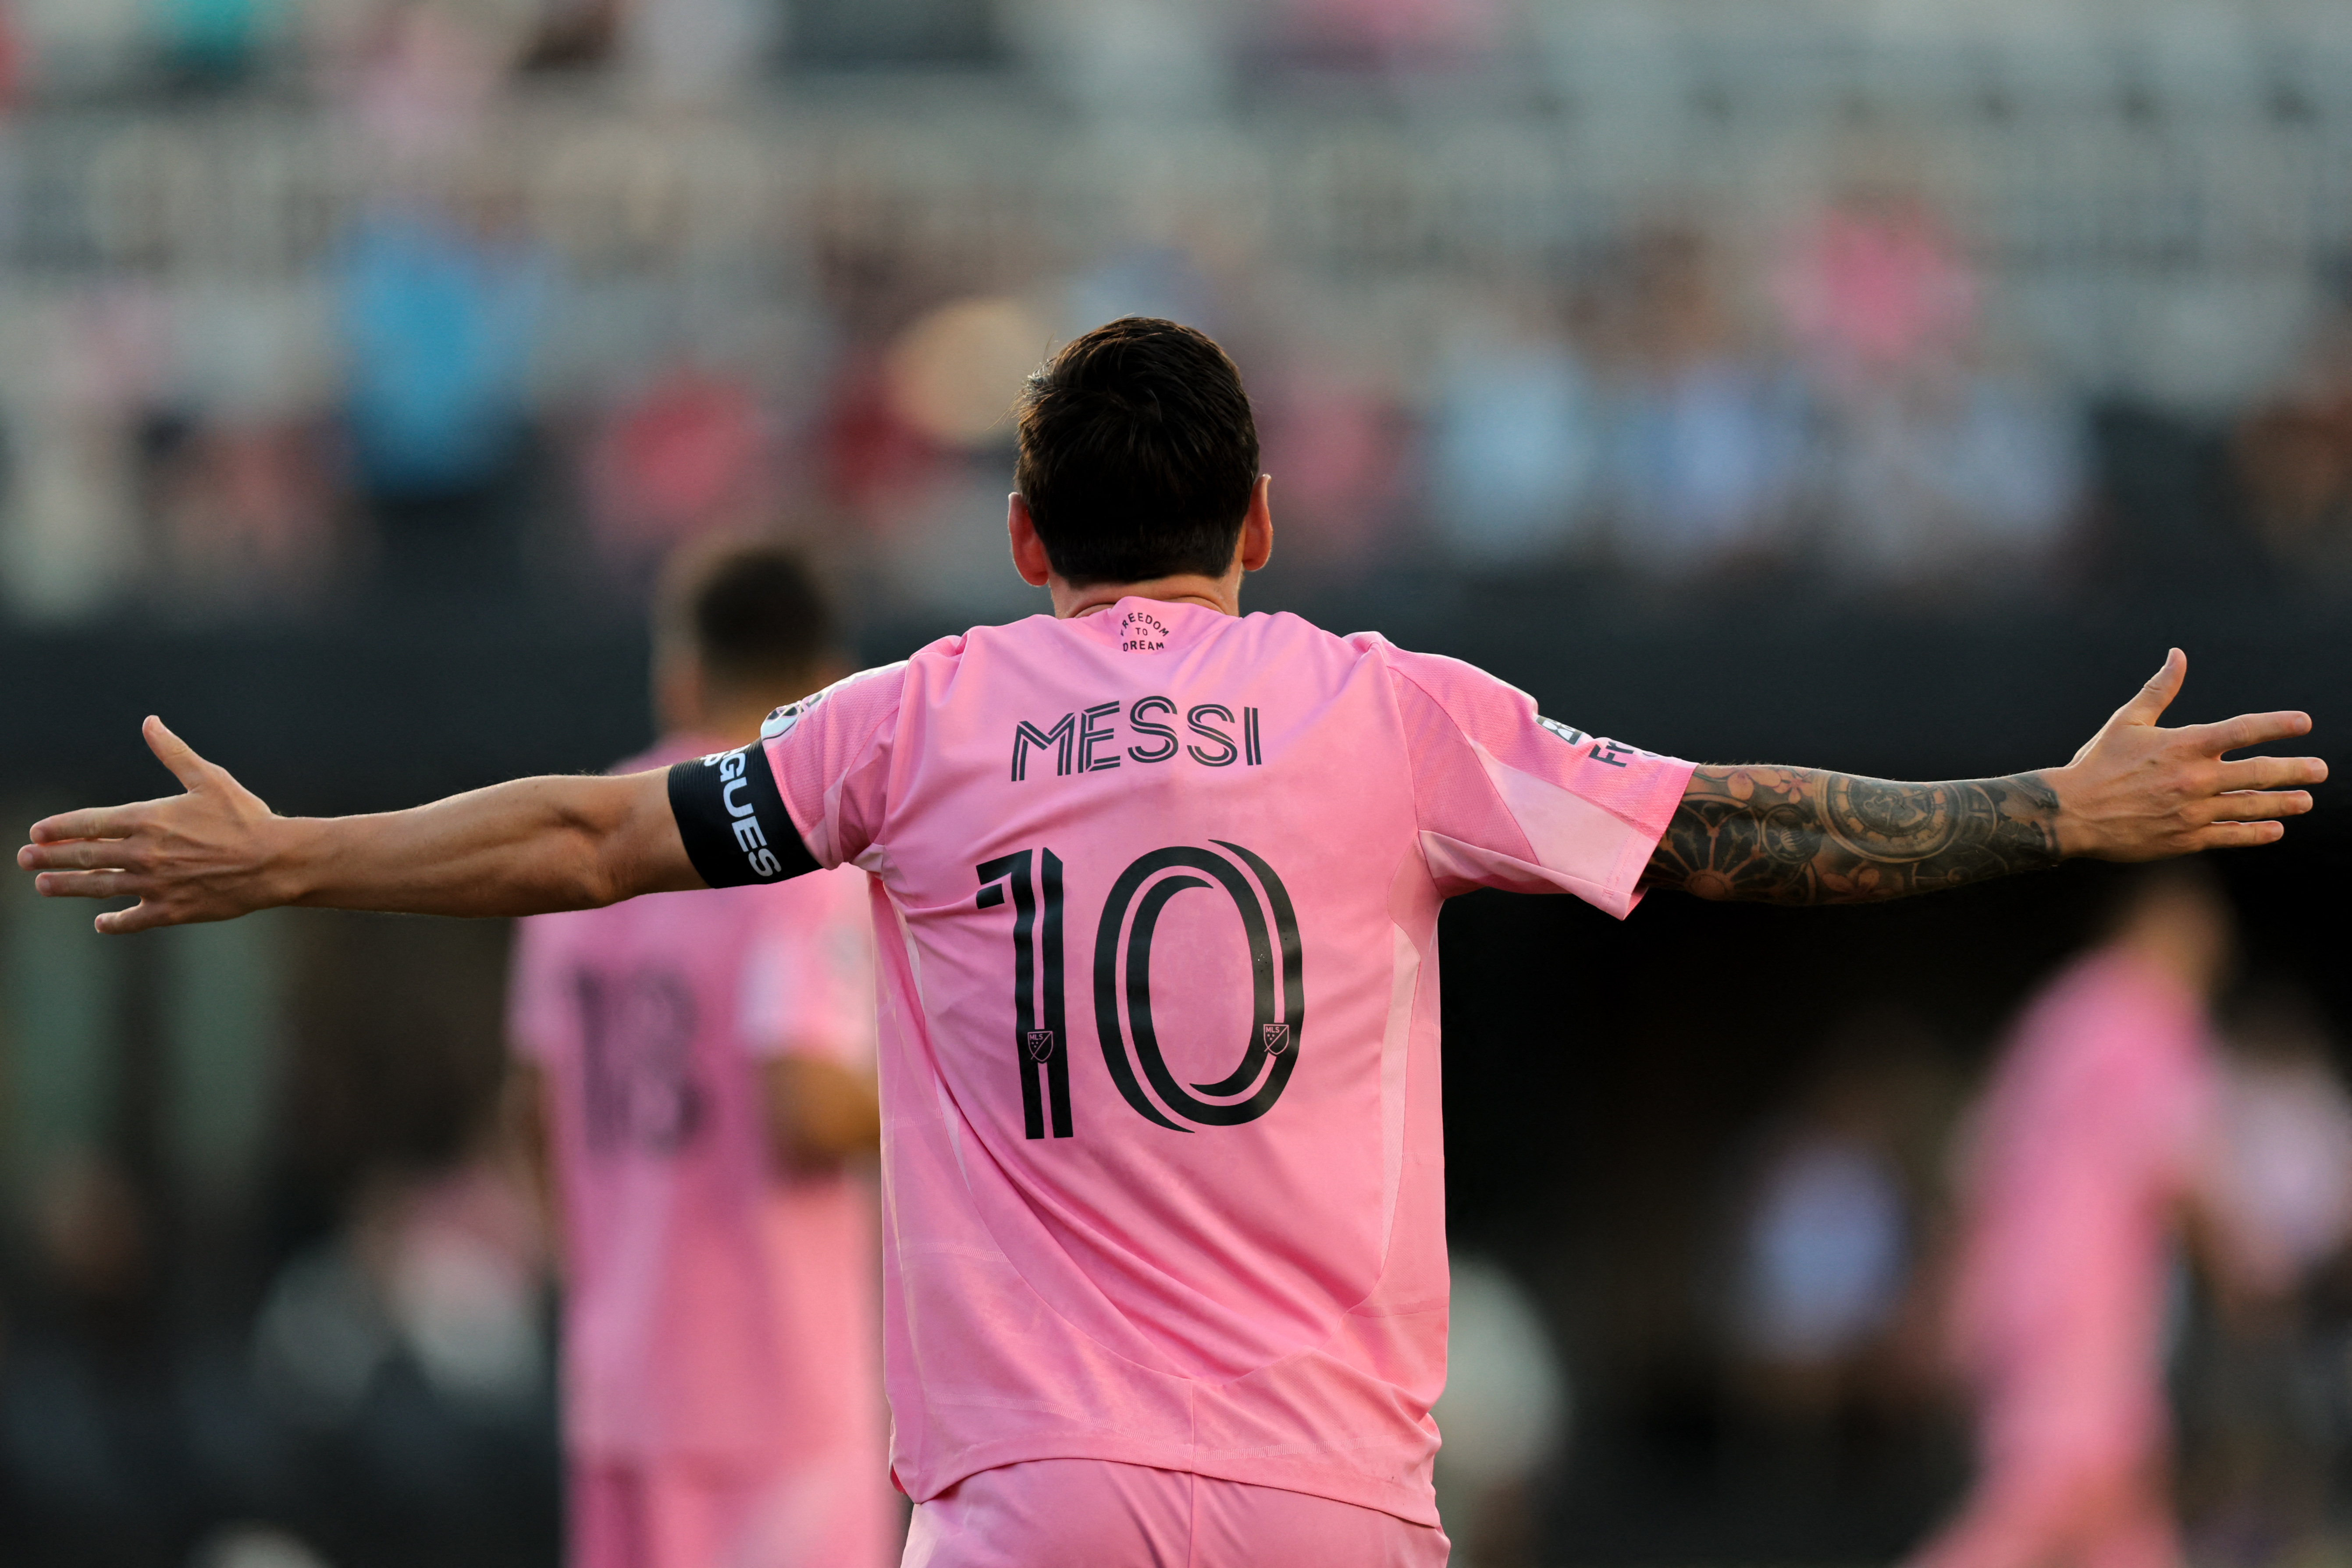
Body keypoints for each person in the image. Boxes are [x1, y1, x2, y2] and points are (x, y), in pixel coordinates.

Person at [17, 318, 2325, 1567]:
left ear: (1026, 536)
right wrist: (2051, 806)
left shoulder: (913, 721)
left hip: (1027, 1500)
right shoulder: (1394, 715)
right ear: (1263, 519)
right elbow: (1726, 827)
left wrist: (293, 851)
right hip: (1328, 1496)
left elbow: (591, 832)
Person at [503, 540, 894, 1568]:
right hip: (771, 1389)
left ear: (682, 674)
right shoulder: (796, 843)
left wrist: (601, 1279)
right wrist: (963, 1089)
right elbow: (805, 1101)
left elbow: (532, 1106)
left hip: (620, 1382)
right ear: (829, 682)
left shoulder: (592, 836)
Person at [1912, 869, 2263, 1568]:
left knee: (2119, 1507)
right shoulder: (2150, 1014)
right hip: (2088, 1297)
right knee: (2050, 1496)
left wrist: (1950, 1288)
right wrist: (2239, 1266)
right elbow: (2171, 1160)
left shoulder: (2059, 1012)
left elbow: (1978, 1161)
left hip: (2017, 1283)